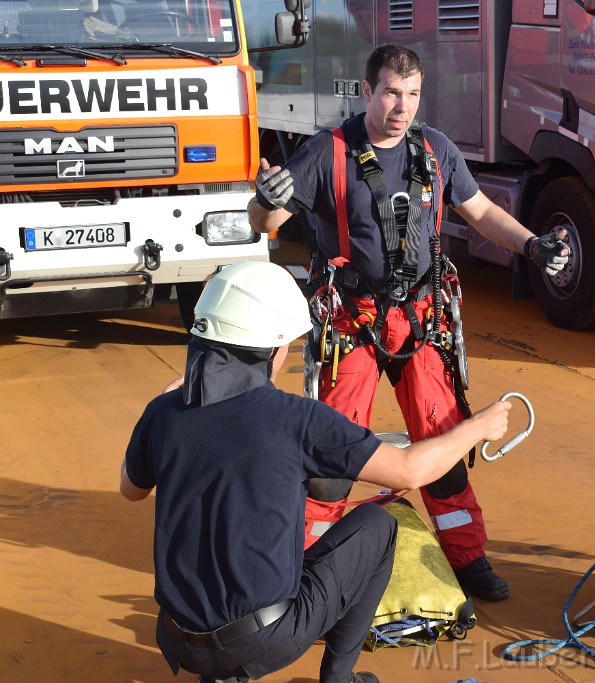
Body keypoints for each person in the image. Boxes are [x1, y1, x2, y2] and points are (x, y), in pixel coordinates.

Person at [247, 43, 569, 602]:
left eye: (413, 94)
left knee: (444, 441)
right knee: (332, 448)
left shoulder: (436, 150)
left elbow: (482, 214)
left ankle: (467, 559)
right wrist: (263, 198)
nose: (402, 107)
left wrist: (532, 247)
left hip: (422, 319)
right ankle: (301, 565)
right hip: (352, 322)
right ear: (367, 90)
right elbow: (269, 220)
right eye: (392, 93)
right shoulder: (328, 152)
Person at [119, 261, 511, 683]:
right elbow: (409, 471)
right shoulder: (296, 420)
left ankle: (221, 675)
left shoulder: (163, 413)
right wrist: (477, 427)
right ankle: (337, 680)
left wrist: (160, 409)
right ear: (272, 348)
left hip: (178, 639)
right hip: (265, 640)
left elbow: (130, 489)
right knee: (378, 527)